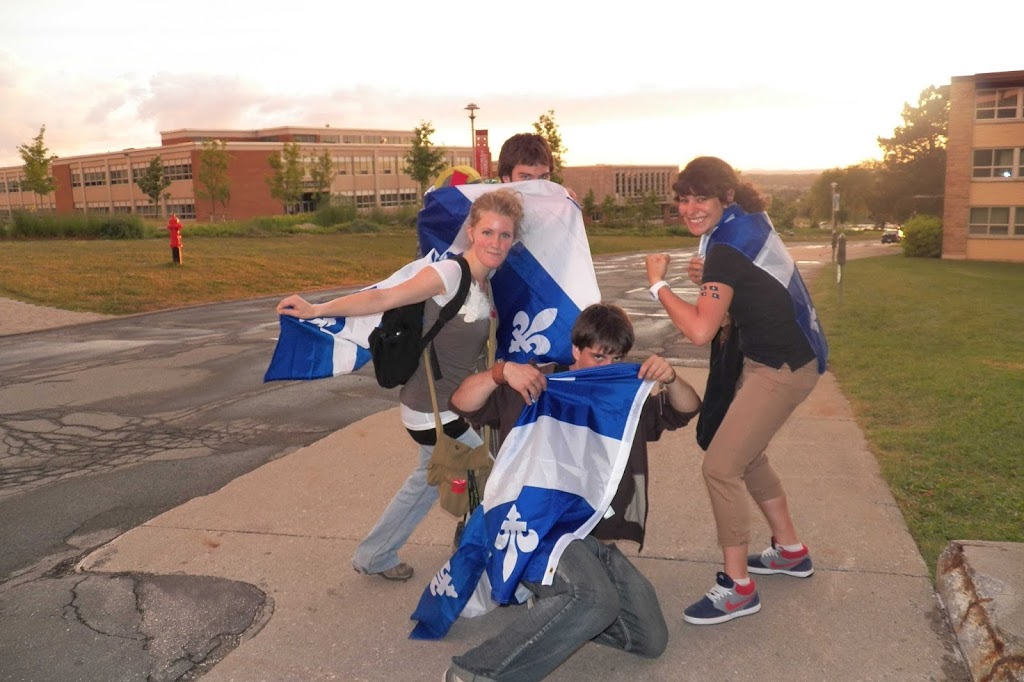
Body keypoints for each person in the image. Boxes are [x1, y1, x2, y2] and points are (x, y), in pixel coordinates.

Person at [443, 303, 702, 681]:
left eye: (616, 357)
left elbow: (686, 409)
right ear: (576, 349)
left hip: (586, 533)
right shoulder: (534, 383)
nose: (606, 365)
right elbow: (461, 402)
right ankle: (473, 672)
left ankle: (562, 617)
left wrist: (672, 378)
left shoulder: (621, 397)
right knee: (594, 599)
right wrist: (501, 372)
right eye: (597, 356)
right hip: (531, 522)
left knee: (650, 639)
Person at [276, 189, 525, 582]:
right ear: (472, 232)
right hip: (431, 410)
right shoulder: (450, 274)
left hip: (445, 405)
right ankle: (500, 570)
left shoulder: (486, 280)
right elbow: (384, 297)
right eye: (488, 232)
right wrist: (317, 309)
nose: (496, 242)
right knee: (494, 482)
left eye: (505, 235)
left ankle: (375, 554)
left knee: (428, 481)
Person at [645, 156, 829, 625]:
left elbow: (702, 331)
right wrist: (710, 282)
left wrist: (658, 285)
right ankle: (790, 550)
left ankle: (738, 587)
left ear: (725, 197)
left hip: (782, 366)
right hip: (781, 356)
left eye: (700, 198)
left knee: (721, 467)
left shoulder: (725, 245)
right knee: (747, 456)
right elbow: (741, 289)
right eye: (683, 199)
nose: (689, 209)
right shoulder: (740, 225)